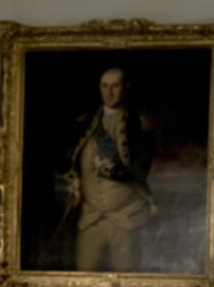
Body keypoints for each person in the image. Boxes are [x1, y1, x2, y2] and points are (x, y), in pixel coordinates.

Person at [61, 67, 156, 272]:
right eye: (105, 86)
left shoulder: (139, 126)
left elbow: (140, 171)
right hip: (89, 218)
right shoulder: (85, 124)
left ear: (126, 88)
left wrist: (110, 170)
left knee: (127, 285)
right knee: (82, 281)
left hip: (126, 218)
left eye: (115, 86)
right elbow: (68, 164)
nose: (109, 92)